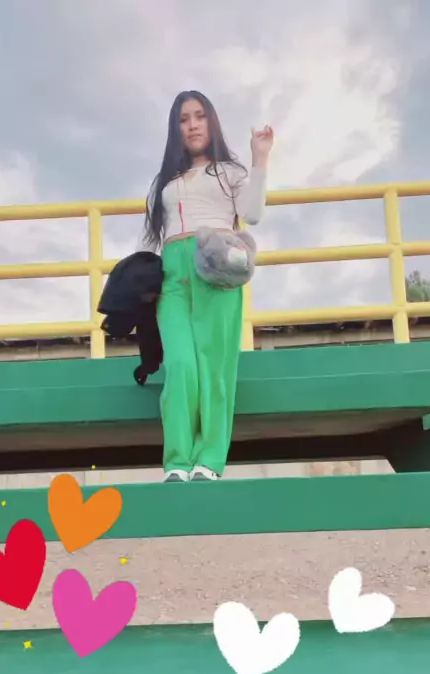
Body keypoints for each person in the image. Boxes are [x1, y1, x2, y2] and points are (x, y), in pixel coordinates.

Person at [136, 90, 273, 483]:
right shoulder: (165, 181)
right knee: (180, 364)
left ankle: (209, 459)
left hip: (215, 266)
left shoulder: (229, 172)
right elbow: (154, 234)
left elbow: (252, 214)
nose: (192, 125)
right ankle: (177, 462)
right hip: (172, 274)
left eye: (199, 116)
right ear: (175, 129)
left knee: (214, 366)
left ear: (211, 121)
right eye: (183, 119)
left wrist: (260, 157)